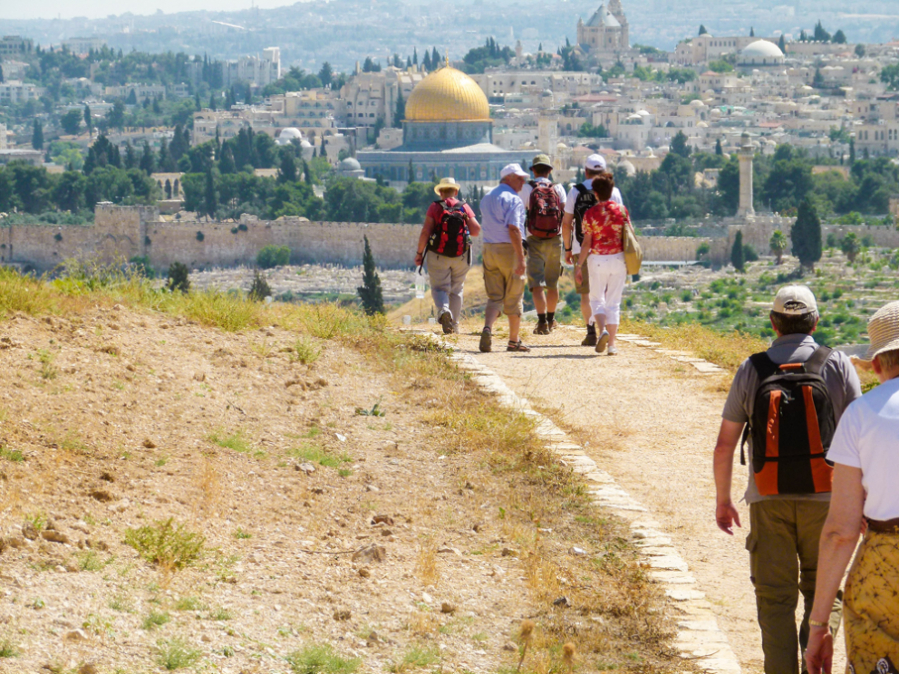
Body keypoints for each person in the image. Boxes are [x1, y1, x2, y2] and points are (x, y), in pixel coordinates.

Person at [713, 285, 862, 674]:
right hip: (827, 501)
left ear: (773, 323)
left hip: (768, 498)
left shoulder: (752, 368)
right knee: (823, 593)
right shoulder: (837, 363)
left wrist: (724, 500)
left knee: (774, 599)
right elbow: (859, 438)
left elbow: (725, 444)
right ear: (815, 321)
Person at [805, 301, 898, 674]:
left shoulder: (861, 415)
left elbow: (842, 532)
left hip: (885, 567)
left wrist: (818, 626)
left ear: (875, 365)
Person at [561, 154, 624, 346]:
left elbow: (566, 223)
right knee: (606, 293)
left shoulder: (575, 191)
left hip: (583, 247)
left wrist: (568, 249)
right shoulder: (614, 192)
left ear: (585, 171)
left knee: (587, 293)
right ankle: (606, 332)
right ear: (604, 173)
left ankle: (591, 332)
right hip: (610, 250)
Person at [573, 173, 631, 356]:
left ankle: (601, 330)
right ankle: (612, 345)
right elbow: (629, 236)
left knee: (596, 299)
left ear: (595, 193)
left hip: (597, 260)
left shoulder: (590, 214)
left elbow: (587, 242)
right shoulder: (621, 210)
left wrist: (578, 265)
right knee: (614, 302)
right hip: (618, 259)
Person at [414, 177, 481, 334]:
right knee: (457, 290)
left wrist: (419, 253)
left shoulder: (435, 207)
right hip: (461, 255)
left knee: (439, 288)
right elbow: (476, 230)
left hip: (438, 254)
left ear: (440, 192)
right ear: (456, 191)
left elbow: (425, 232)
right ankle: (455, 325)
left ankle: (444, 310)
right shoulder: (464, 207)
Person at [478, 163, 530, 353]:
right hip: (509, 250)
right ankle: (513, 341)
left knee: (494, 295)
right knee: (515, 294)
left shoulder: (486, 197)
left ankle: (487, 328)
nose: (523, 182)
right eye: (519, 178)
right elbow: (514, 229)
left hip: (489, 249)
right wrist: (521, 258)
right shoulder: (513, 200)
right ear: (507, 178)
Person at [518, 154, 566, 335]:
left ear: (533, 170)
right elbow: (565, 214)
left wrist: (521, 240)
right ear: (550, 171)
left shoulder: (526, 188)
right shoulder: (559, 188)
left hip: (534, 238)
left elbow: (520, 215)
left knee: (537, 282)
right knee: (553, 282)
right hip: (555, 238)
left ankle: (541, 322)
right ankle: (552, 319)